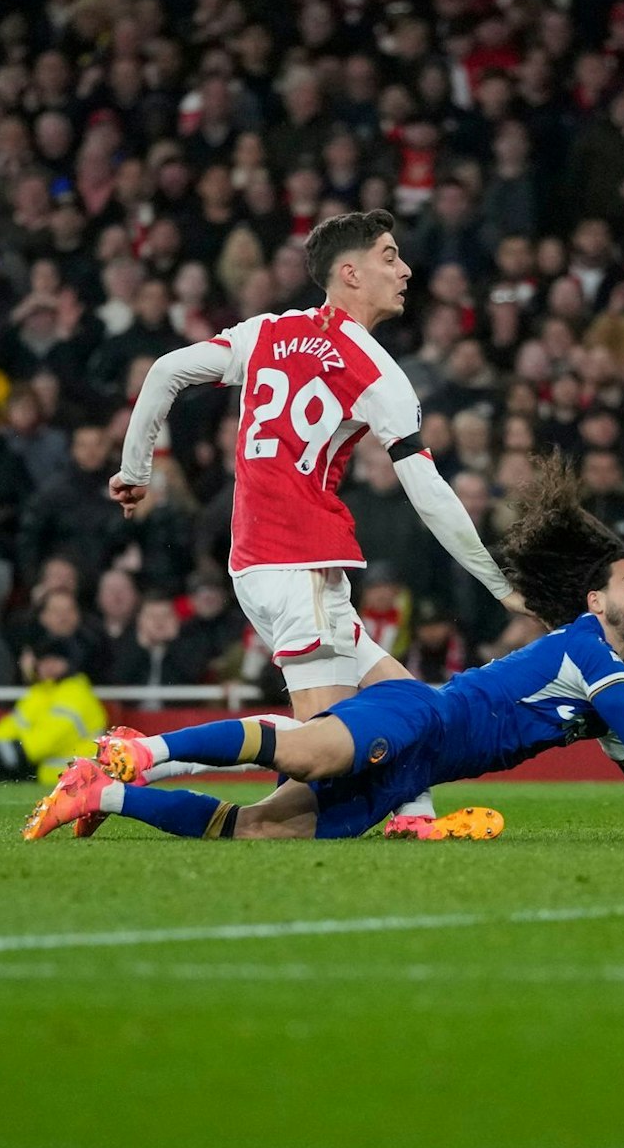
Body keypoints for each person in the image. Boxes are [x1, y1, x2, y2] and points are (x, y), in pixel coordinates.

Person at [23, 459, 624, 842]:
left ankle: (102, 794)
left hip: (416, 765)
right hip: (418, 718)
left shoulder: (601, 683)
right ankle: (141, 748)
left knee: (258, 831)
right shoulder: (592, 655)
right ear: (596, 602)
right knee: (305, 750)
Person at [104, 210, 528, 839]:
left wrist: (133, 471)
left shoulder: (266, 331)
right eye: (389, 256)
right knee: (320, 755)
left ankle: (414, 821)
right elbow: (431, 495)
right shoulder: (378, 372)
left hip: (254, 561)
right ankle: (131, 770)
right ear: (350, 273)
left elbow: (165, 372)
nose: (406, 268)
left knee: (412, 708)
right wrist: (501, 585)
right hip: (301, 562)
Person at [0, 638, 106, 786]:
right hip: (50, 777)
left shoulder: (76, 693)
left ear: (69, 663)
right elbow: (13, 725)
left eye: (55, 660)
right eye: (43, 660)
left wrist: (15, 751)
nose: (48, 666)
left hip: (80, 779)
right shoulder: (40, 692)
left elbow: (51, 738)